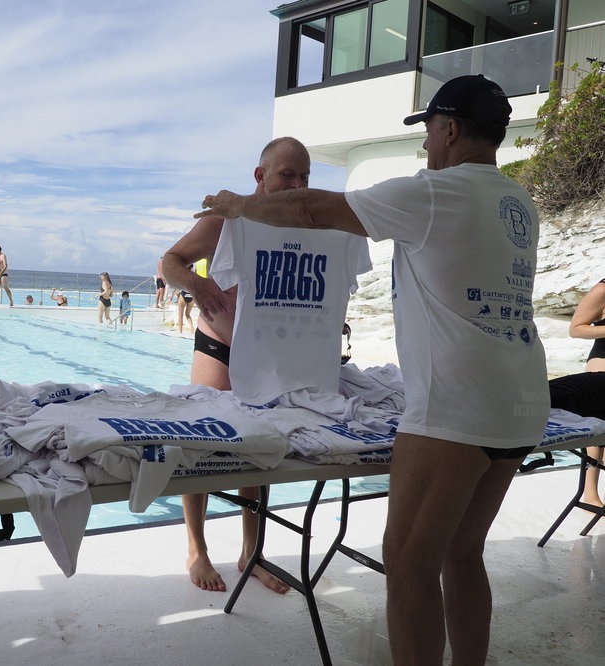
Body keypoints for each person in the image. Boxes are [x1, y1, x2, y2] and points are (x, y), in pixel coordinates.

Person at [197, 75, 549, 666]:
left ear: (452, 129)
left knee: (409, 563)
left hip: (454, 408)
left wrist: (237, 206)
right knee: (464, 553)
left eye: (431, 132)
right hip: (519, 401)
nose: (427, 146)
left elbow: (312, 210)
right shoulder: (519, 202)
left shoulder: (436, 193)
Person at [163, 136, 370, 595]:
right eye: (287, 175)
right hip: (220, 347)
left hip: (277, 357)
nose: (297, 184)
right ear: (260, 177)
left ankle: (251, 551)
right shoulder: (229, 222)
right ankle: (196, 548)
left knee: (262, 452)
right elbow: (169, 261)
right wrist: (196, 287)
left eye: (304, 177)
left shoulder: (317, 225)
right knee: (199, 445)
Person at [568, 278, 605, 507]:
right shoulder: (602, 289)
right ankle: (590, 494)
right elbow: (576, 329)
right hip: (602, 363)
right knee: (598, 433)